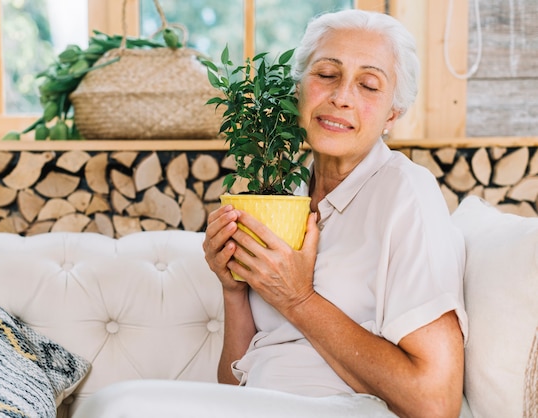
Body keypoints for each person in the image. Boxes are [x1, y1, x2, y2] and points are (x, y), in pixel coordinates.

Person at [73, 9, 468, 418]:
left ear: (392, 114)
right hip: (264, 406)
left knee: (120, 408)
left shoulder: (406, 193)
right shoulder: (288, 194)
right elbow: (235, 386)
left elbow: (434, 402)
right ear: (297, 88)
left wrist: (298, 297)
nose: (342, 96)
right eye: (326, 74)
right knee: (111, 403)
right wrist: (234, 289)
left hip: (345, 409)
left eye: (369, 85)